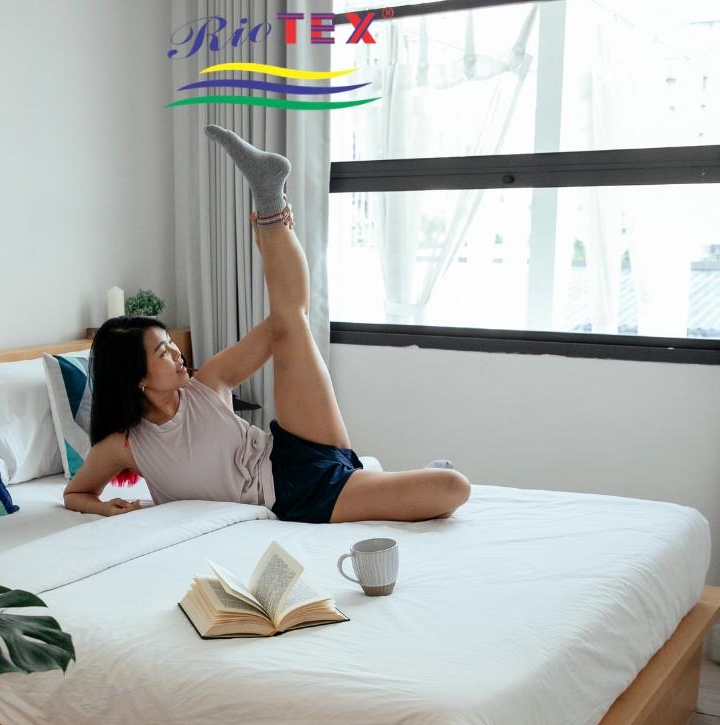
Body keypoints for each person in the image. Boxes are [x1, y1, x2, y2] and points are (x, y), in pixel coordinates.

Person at [64, 126, 471, 523]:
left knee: (291, 320)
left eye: (171, 342)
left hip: (296, 444)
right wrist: (105, 507)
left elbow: (284, 317)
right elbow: (76, 493)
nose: (177, 353)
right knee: (453, 487)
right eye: (162, 352)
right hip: (297, 496)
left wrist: (269, 241)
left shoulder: (209, 384)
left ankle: (269, 199)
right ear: (136, 378)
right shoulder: (125, 445)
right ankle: (421, 476)